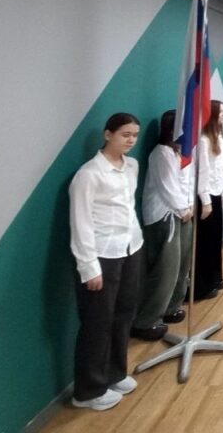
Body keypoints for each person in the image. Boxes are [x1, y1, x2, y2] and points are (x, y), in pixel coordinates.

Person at [68, 112, 144, 411]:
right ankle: (88, 391)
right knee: (97, 323)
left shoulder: (132, 166)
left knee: (123, 314)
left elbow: (128, 208)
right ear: (108, 134)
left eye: (134, 135)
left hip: (130, 248)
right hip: (102, 255)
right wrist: (89, 267)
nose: (131, 140)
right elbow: (81, 223)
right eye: (125, 134)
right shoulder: (89, 174)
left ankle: (114, 373)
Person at [132, 110, 194, 342]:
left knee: (182, 264)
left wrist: (188, 205)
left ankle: (171, 307)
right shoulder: (161, 153)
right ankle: (146, 321)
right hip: (164, 216)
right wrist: (183, 208)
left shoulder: (179, 152)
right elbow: (167, 187)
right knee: (166, 269)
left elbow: (185, 181)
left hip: (182, 212)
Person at [194, 100, 223, 300]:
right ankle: (203, 285)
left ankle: (215, 276)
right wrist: (206, 200)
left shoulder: (219, 138)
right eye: (221, 112)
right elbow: (203, 172)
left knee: (216, 239)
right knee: (206, 242)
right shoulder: (204, 141)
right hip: (206, 197)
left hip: (217, 193)